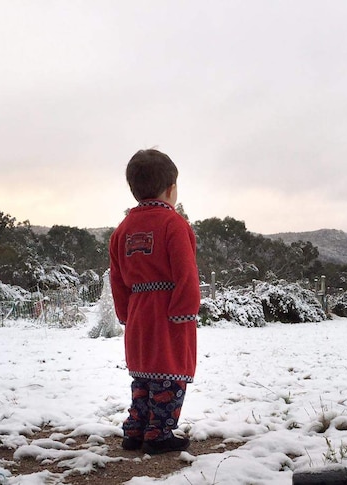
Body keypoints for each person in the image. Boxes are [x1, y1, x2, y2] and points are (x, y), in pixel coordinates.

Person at [109, 148, 201, 455]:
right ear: (171, 188)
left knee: (144, 376)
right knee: (169, 375)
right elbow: (186, 273)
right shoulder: (174, 225)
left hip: (137, 312)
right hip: (169, 311)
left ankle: (135, 430)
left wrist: (125, 314)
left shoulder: (122, 230)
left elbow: (118, 279)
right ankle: (159, 433)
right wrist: (185, 311)